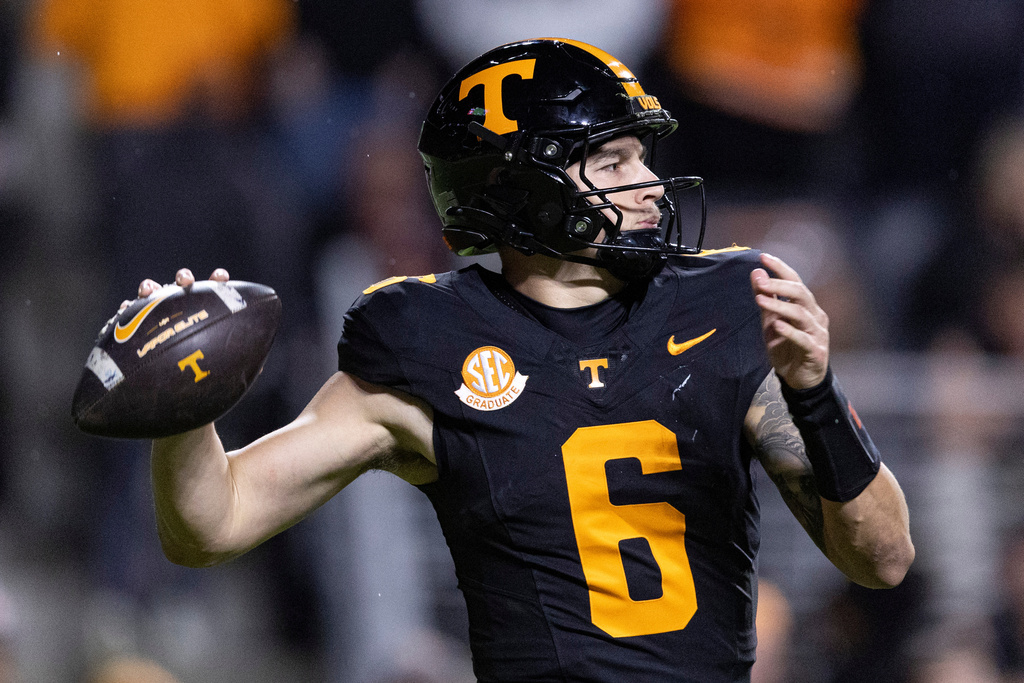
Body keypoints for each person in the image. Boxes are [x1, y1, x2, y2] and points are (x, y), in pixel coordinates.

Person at [139, 39, 914, 682]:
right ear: (519, 188)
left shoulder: (723, 306)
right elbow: (214, 521)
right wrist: (183, 403)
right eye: (611, 163)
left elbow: (883, 557)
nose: (647, 185)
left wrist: (814, 392)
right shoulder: (429, 341)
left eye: (640, 157)